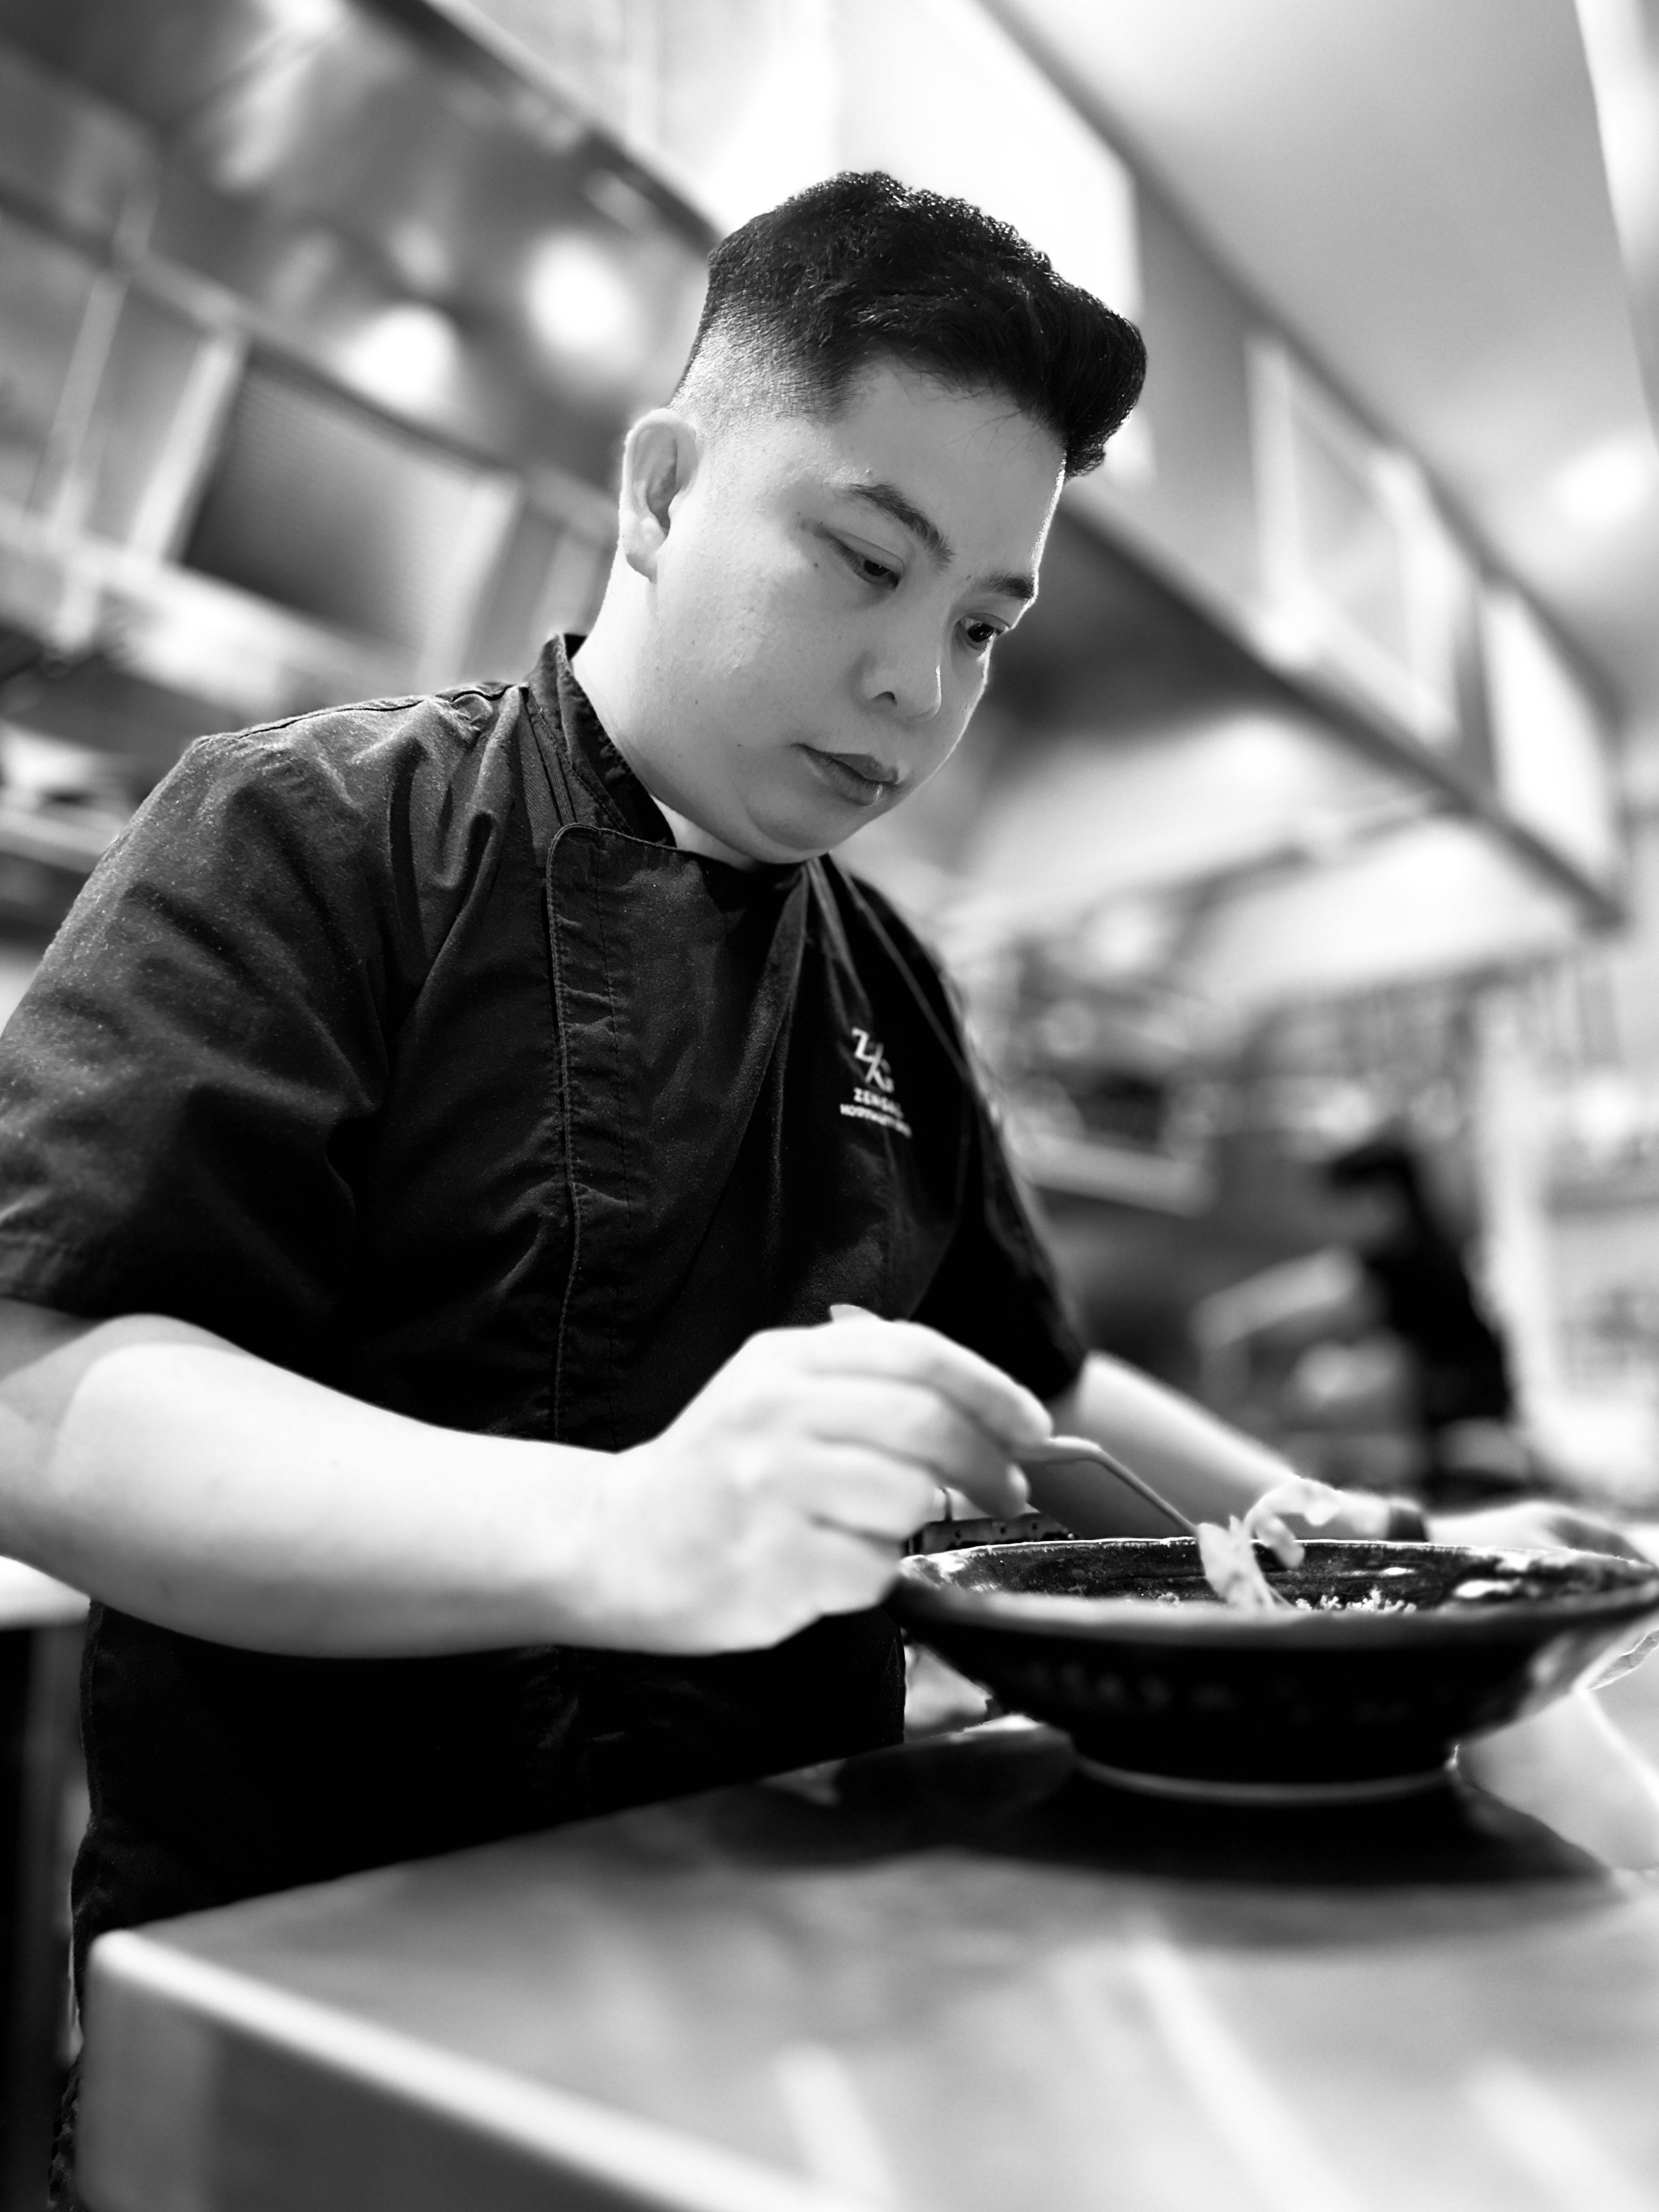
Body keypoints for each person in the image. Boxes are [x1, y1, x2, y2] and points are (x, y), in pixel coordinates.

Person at [0, 176, 1618, 2171]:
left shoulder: (884, 976)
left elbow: (1040, 1383)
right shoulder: (314, 835)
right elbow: (39, 1380)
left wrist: (1325, 1532)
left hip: (789, 1991)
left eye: (979, 624)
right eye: (865, 560)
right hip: (324, 2001)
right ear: (666, 490)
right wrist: (620, 1530)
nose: (917, 688)